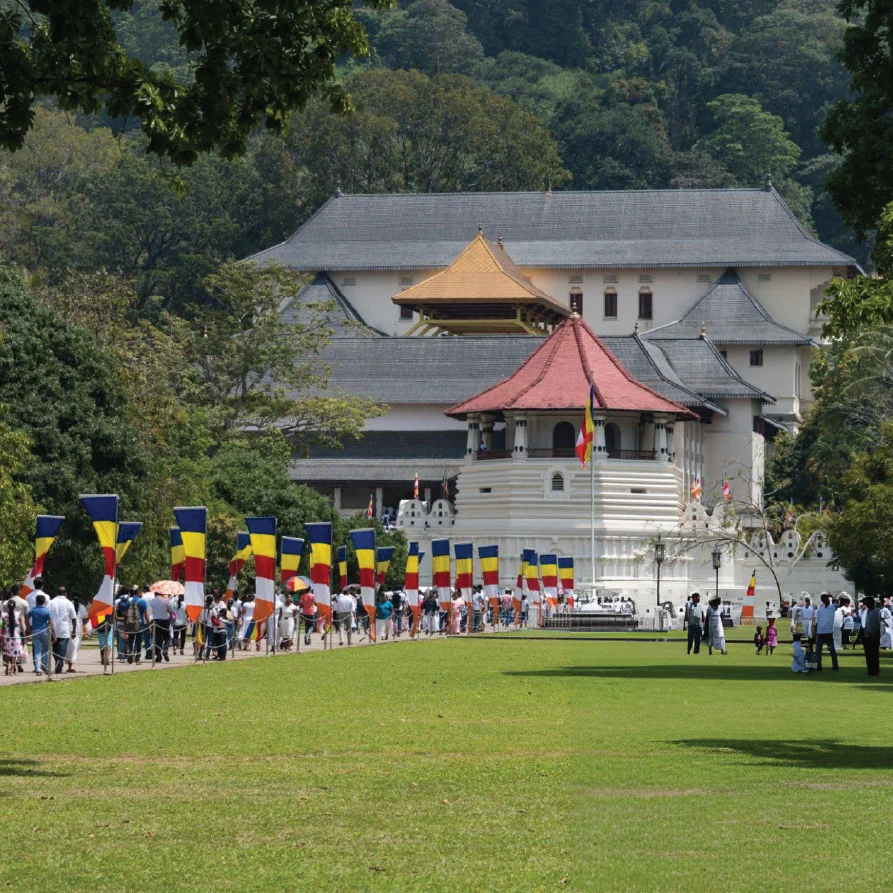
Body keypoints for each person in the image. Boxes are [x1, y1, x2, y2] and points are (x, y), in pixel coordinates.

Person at [48, 586, 77, 674]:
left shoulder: (51, 602)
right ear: (65, 594)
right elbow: (74, 618)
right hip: (64, 630)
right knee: (61, 650)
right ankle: (59, 666)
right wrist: (74, 630)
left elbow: (47, 615)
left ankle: (58, 666)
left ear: (56, 593)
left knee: (55, 650)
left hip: (53, 629)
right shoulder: (69, 603)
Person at [814, 592, 839, 672]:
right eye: (826, 599)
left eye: (828, 598)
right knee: (819, 650)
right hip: (821, 631)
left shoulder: (832, 607)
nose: (828, 600)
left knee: (831, 650)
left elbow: (837, 602)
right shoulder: (821, 608)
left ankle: (835, 666)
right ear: (823, 600)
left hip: (828, 631)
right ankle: (819, 665)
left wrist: (832, 596)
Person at [29, 593, 51, 676]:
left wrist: (28, 627)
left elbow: (27, 616)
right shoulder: (47, 611)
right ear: (44, 602)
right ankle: (47, 666)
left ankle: (38, 668)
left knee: (37, 650)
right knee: (46, 649)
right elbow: (50, 622)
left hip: (35, 631)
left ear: (36, 601)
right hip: (45, 631)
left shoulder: (33, 610)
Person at [2, 596, 26, 675]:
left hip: (7, 635)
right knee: (14, 653)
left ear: (7, 606)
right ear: (15, 606)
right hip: (16, 635)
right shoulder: (18, 614)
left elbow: (3, 626)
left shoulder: (4, 615)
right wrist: (24, 635)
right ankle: (12, 669)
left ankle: (6, 668)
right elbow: (22, 626)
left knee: (7, 652)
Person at [65, 591, 87, 673]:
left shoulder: (68, 604)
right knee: (75, 647)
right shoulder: (83, 607)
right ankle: (73, 665)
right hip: (78, 629)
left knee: (68, 648)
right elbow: (84, 620)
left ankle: (70, 665)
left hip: (68, 628)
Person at [148, 588, 172, 662]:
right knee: (167, 637)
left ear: (155, 594)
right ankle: (165, 649)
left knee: (157, 639)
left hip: (156, 621)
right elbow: (171, 610)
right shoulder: (166, 601)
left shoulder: (152, 601)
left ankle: (158, 655)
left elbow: (150, 611)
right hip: (165, 621)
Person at [861, 596, 882, 676]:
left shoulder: (876, 612)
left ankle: (874, 670)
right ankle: (871, 670)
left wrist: (875, 633)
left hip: (873, 636)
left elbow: (877, 624)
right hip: (866, 636)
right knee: (868, 655)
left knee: (874, 655)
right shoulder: (866, 612)